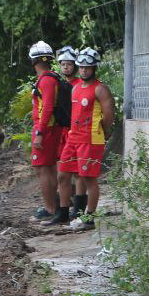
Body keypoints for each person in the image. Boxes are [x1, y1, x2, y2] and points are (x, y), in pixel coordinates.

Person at [57, 47, 115, 231]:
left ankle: (88, 218)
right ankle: (65, 213)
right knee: (63, 174)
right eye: (81, 67)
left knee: (89, 179)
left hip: (91, 139)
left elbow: (109, 115)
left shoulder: (100, 89)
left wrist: (104, 132)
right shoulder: (75, 89)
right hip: (74, 138)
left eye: (87, 68)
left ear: (94, 68)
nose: (83, 70)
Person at [27, 41, 67, 223]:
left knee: (44, 170)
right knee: (48, 169)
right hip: (48, 129)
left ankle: (50, 208)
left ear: (33, 60)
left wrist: (40, 133)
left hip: (47, 130)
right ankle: (53, 207)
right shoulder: (49, 78)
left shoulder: (47, 80)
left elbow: (48, 107)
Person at [56, 46, 88, 219]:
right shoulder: (60, 85)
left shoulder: (80, 86)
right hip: (65, 134)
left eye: (69, 64)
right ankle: (62, 210)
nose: (66, 67)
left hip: (78, 133)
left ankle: (79, 209)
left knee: (79, 172)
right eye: (63, 64)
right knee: (63, 172)